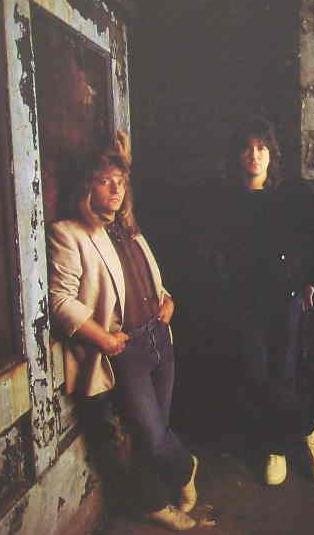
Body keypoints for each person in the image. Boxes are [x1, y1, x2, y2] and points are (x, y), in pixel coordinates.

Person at [48, 132, 207, 531]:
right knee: (151, 436)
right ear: (87, 186)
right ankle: (186, 468)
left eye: (120, 181)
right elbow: (60, 300)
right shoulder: (69, 233)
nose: (116, 189)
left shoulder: (126, 227)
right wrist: (103, 338)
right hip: (126, 349)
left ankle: (155, 502)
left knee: (157, 432)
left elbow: (146, 280)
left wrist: (167, 300)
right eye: (105, 181)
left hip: (159, 339)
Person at [214, 116, 314, 486]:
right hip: (245, 303)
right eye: (247, 148)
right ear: (237, 155)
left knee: (284, 374)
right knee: (255, 376)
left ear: (272, 153)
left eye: (261, 147)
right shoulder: (226, 199)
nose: (254, 155)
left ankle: (276, 449)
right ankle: (313, 429)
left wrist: (312, 279)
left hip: (286, 298)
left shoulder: (292, 193)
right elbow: (216, 251)